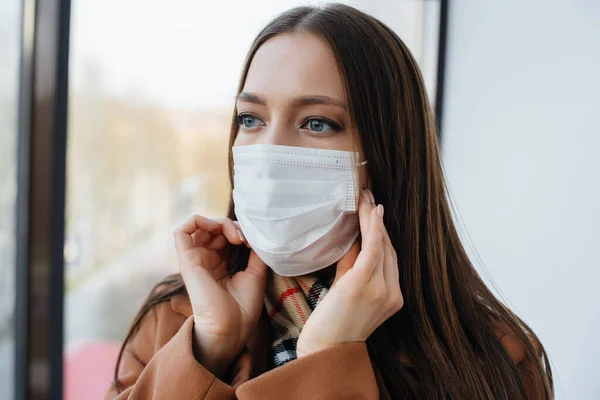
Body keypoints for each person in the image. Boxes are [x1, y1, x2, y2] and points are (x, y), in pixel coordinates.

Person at [105, 4, 553, 399]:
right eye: (251, 118)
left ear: (385, 155)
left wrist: (326, 360)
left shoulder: (498, 359)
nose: (271, 152)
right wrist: (209, 346)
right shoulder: (174, 319)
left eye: (317, 123)